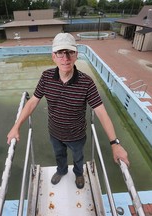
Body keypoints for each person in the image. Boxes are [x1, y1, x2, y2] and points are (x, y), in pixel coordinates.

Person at [7, 33, 129, 189]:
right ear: (53, 56)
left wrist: (115, 144)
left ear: (76, 55)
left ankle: (79, 174)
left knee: (78, 157)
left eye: (70, 52)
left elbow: (102, 113)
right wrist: (16, 127)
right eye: (60, 53)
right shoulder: (46, 77)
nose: (65, 58)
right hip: (55, 132)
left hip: (77, 136)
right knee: (59, 155)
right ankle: (62, 171)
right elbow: (32, 102)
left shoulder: (87, 83)